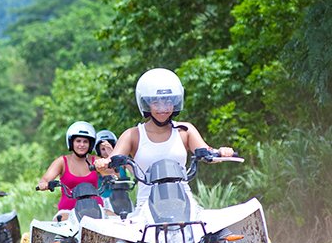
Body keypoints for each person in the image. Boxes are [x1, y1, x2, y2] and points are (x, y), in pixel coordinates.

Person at [95, 68, 234, 208]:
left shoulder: (185, 131)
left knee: (222, 227)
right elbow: (110, 165)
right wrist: (101, 165)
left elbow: (207, 152)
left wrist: (222, 152)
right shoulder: (132, 135)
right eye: (156, 102)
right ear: (146, 103)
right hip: (146, 208)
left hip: (185, 203)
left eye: (168, 101)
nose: (163, 108)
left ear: (175, 102)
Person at [37, 121, 103, 219]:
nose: (82, 145)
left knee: (116, 221)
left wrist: (111, 157)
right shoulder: (62, 162)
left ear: (91, 144)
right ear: (71, 142)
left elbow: (114, 174)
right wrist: (44, 184)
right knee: (57, 226)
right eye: (78, 141)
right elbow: (45, 179)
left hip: (96, 209)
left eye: (85, 141)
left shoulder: (96, 161)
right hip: (68, 211)